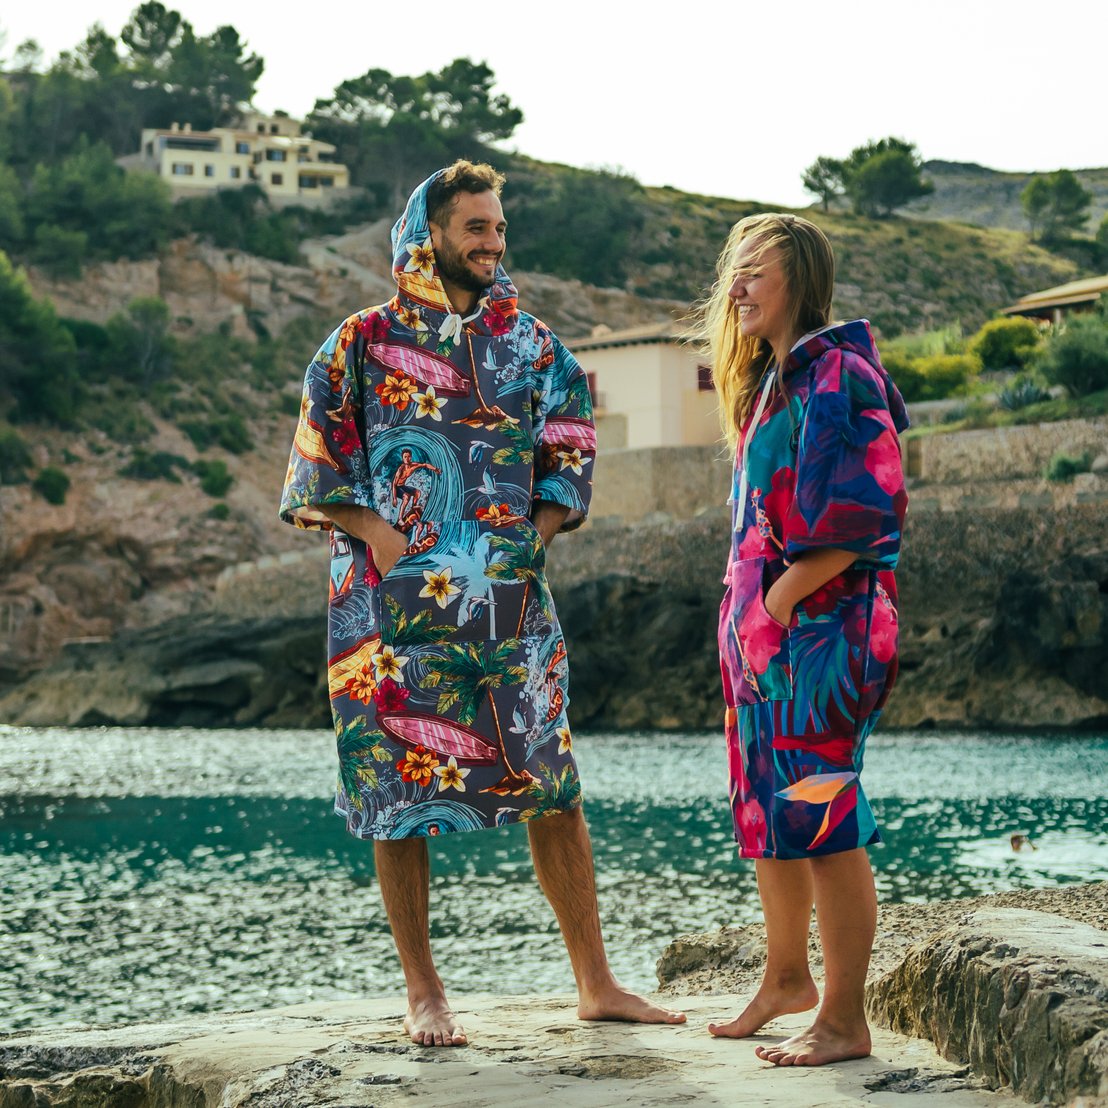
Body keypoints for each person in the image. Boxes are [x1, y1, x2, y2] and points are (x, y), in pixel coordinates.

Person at [279, 160, 684, 1047]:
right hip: (385, 615)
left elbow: (571, 435)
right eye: (476, 228)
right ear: (428, 235)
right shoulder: (360, 341)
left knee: (555, 785)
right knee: (396, 793)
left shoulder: (531, 344)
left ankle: (596, 982)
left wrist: (536, 534)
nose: (493, 244)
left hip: (510, 608)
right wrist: (378, 534)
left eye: (499, 228)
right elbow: (316, 458)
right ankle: (424, 992)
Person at [702, 213, 908, 1065]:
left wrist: (779, 605)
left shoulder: (839, 373)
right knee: (768, 810)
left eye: (756, 270)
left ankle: (843, 1019)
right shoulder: (771, 382)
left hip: (821, 634)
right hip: (767, 640)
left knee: (822, 814)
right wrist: (752, 620)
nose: (738, 287)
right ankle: (786, 980)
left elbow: (868, 512)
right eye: (735, 271)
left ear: (802, 281)